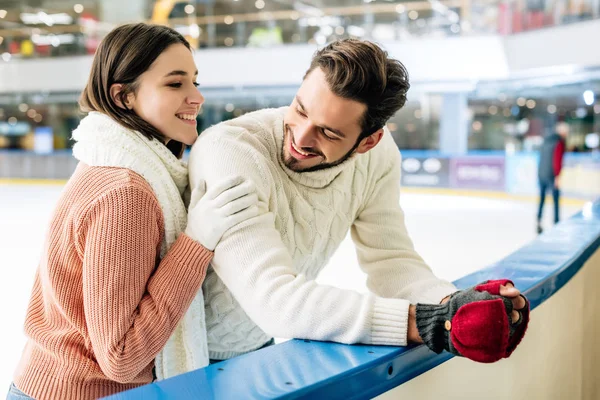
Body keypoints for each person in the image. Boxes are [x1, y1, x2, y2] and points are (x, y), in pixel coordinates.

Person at [156, 39, 530, 376]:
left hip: (255, 350)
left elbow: (392, 263)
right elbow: (274, 299)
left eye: (329, 132)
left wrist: (455, 305)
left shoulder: (378, 158)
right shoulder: (231, 152)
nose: (300, 138)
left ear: (368, 141)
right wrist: (427, 322)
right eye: (300, 110)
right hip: (181, 357)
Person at [8, 23, 258, 400]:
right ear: (123, 97)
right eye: (175, 84)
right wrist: (197, 241)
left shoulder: (113, 162)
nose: (196, 98)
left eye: (195, 82)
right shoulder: (127, 193)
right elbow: (121, 356)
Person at [537, 121, 568, 234]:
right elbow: (557, 160)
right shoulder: (559, 142)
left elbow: (541, 158)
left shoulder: (546, 141)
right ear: (563, 132)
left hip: (541, 174)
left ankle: (538, 219)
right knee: (555, 199)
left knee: (542, 198)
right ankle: (556, 221)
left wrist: (540, 173)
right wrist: (557, 177)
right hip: (551, 175)